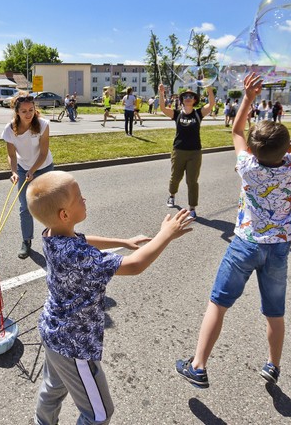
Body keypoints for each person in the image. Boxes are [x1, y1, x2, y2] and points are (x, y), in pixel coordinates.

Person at [175, 43, 291, 389]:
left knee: (218, 303)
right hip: (278, 248)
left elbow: (235, 131)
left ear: (254, 148)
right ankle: (273, 366)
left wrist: (248, 98)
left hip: (245, 244)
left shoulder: (247, 166)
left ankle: (199, 365)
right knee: (274, 312)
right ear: (288, 146)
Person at [27, 170, 193, 425]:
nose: (85, 199)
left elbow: (83, 240)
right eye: (80, 198)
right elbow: (135, 265)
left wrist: (122, 241)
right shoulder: (79, 256)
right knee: (99, 414)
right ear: (64, 214)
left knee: (53, 388)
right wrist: (166, 233)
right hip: (74, 345)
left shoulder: (51, 234)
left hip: (52, 332)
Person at [1, 93, 54, 259]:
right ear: (17, 112)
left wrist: (34, 169)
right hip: (24, 168)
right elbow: (11, 155)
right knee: (25, 207)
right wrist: (15, 172)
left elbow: (44, 152)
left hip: (44, 166)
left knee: (48, 204)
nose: (28, 114)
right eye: (24, 111)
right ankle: (26, 241)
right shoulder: (10, 129)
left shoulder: (43, 125)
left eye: (31, 109)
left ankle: (54, 239)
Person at [157, 84, 215, 219]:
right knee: (175, 177)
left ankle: (192, 208)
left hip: (195, 152)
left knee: (192, 181)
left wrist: (209, 89)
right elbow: (163, 108)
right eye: (185, 96)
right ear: (182, 100)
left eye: (191, 97)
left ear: (194, 100)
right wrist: (161, 93)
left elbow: (211, 104)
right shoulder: (177, 114)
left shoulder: (198, 113)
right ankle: (172, 195)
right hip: (178, 151)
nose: (188, 98)